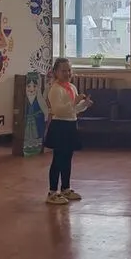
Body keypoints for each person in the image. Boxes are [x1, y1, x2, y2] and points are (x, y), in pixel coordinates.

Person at [44, 58, 93, 205]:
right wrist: (74, 102)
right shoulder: (55, 89)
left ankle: (65, 188)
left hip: (70, 124)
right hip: (59, 126)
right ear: (56, 72)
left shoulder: (71, 87)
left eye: (69, 70)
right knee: (58, 159)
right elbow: (58, 110)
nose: (67, 73)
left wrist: (84, 105)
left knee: (67, 158)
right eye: (63, 71)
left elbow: (73, 110)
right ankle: (52, 192)